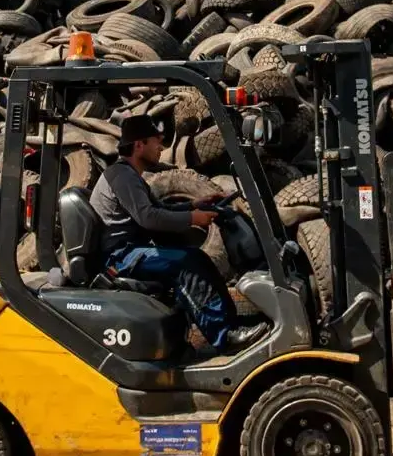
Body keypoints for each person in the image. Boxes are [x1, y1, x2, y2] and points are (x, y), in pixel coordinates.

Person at [89, 114, 270, 354]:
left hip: (131, 252)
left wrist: (196, 205)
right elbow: (149, 218)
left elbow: (159, 209)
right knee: (187, 264)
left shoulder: (131, 176)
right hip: (121, 257)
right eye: (156, 142)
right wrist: (193, 219)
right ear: (139, 145)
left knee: (199, 258)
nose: (161, 148)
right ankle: (225, 336)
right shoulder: (122, 176)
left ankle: (230, 325)